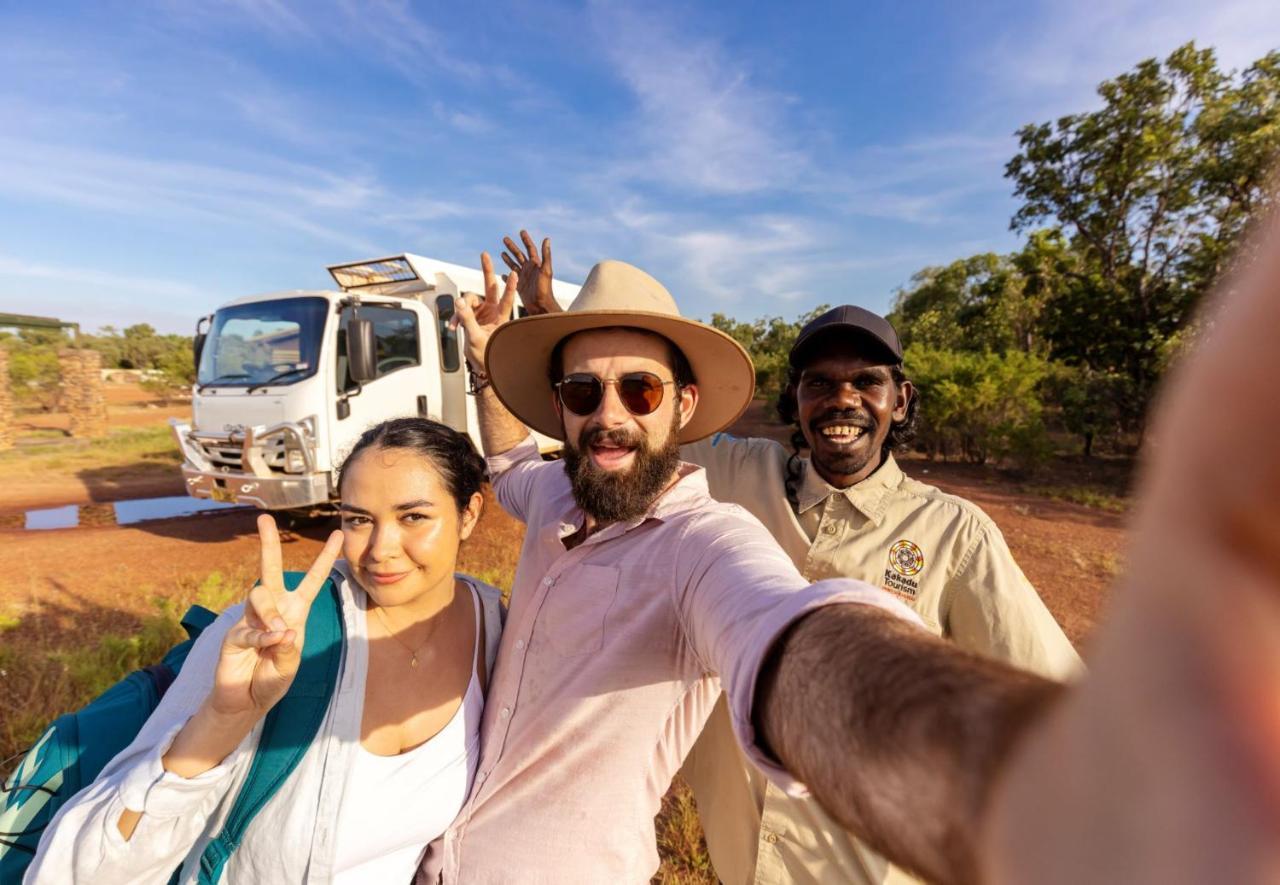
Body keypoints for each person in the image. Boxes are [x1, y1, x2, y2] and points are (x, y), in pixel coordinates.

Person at [434, 252, 1063, 884]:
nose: (610, 415)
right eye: (581, 392)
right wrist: (491, 373)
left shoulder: (703, 536)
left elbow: (772, 620)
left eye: (641, 390)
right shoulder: (620, 485)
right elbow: (516, 463)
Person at [26, 418, 505, 883]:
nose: (381, 548)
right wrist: (224, 715)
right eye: (359, 519)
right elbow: (85, 870)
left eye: (413, 517)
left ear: (469, 514)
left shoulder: (496, 628)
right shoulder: (275, 630)